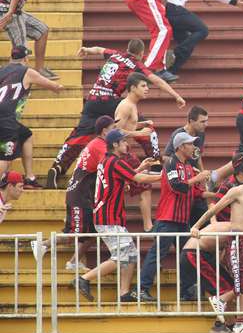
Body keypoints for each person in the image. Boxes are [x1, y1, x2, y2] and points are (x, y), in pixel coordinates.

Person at [47, 40, 185, 187]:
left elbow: (99, 49)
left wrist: (87, 49)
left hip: (92, 99)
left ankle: (58, 167)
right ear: (140, 54)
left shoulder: (115, 54)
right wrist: (176, 95)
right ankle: (155, 163)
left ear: (127, 49)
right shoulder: (136, 64)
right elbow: (156, 80)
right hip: (110, 100)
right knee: (143, 125)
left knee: (80, 134)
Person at [73, 129, 160, 302]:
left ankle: (123, 293)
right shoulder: (115, 162)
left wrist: (141, 167)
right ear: (115, 144)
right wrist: (162, 176)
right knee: (123, 256)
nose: (127, 144)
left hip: (108, 217)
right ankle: (83, 279)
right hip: (108, 218)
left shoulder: (107, 161)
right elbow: (139, 179)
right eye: (123, 142)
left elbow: (124, 177)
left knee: (131, 254)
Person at [191, 161, 243, 333]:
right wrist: (196, 226)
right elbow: (213, 209)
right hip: (237, 241)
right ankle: (223, 301)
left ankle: (239, 322)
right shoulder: (238, 191)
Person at [34, 116, 116, 269]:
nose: (115, 132)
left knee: (92, 232)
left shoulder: (97, 143)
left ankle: (73, 262)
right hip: (79, 194)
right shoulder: (99, 145)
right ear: (105, 131)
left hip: (84, 193)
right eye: (113, 129)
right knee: (75, 233)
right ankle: (42, 244)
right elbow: (109, 166)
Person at [139, 132, 211, 300]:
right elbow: (177, 186)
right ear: (180, 147)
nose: (194, 147)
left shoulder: (187, 167)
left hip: (181, 220)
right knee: (157, 254)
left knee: (188, 255)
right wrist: (197, 177)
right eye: (191, 144)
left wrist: (220, 196)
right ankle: (141, 289)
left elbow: (196, 194)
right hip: (168, 219)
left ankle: (186, 292)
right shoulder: (171, 163)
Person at [0, 46, 64, 184]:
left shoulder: (1, 70)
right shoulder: (27, 72)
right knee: (5, 157)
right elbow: (53, 86)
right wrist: (58, 87)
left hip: (7, 118)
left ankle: (30, 177)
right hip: (7, 119)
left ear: (11, 57)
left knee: (26, 135)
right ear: (26, 58)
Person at [113, 72, 161, 231]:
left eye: (147, 86)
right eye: (143, 86)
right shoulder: (126, 106)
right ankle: (148, 226)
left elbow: (128, 125)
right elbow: (115, 132)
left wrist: (142, 124)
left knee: (139, 184)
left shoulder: (131, 105)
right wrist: (139, 133)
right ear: (133, 88)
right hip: (122, 152)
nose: (147, 89)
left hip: (126, 150)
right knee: (144, 184)